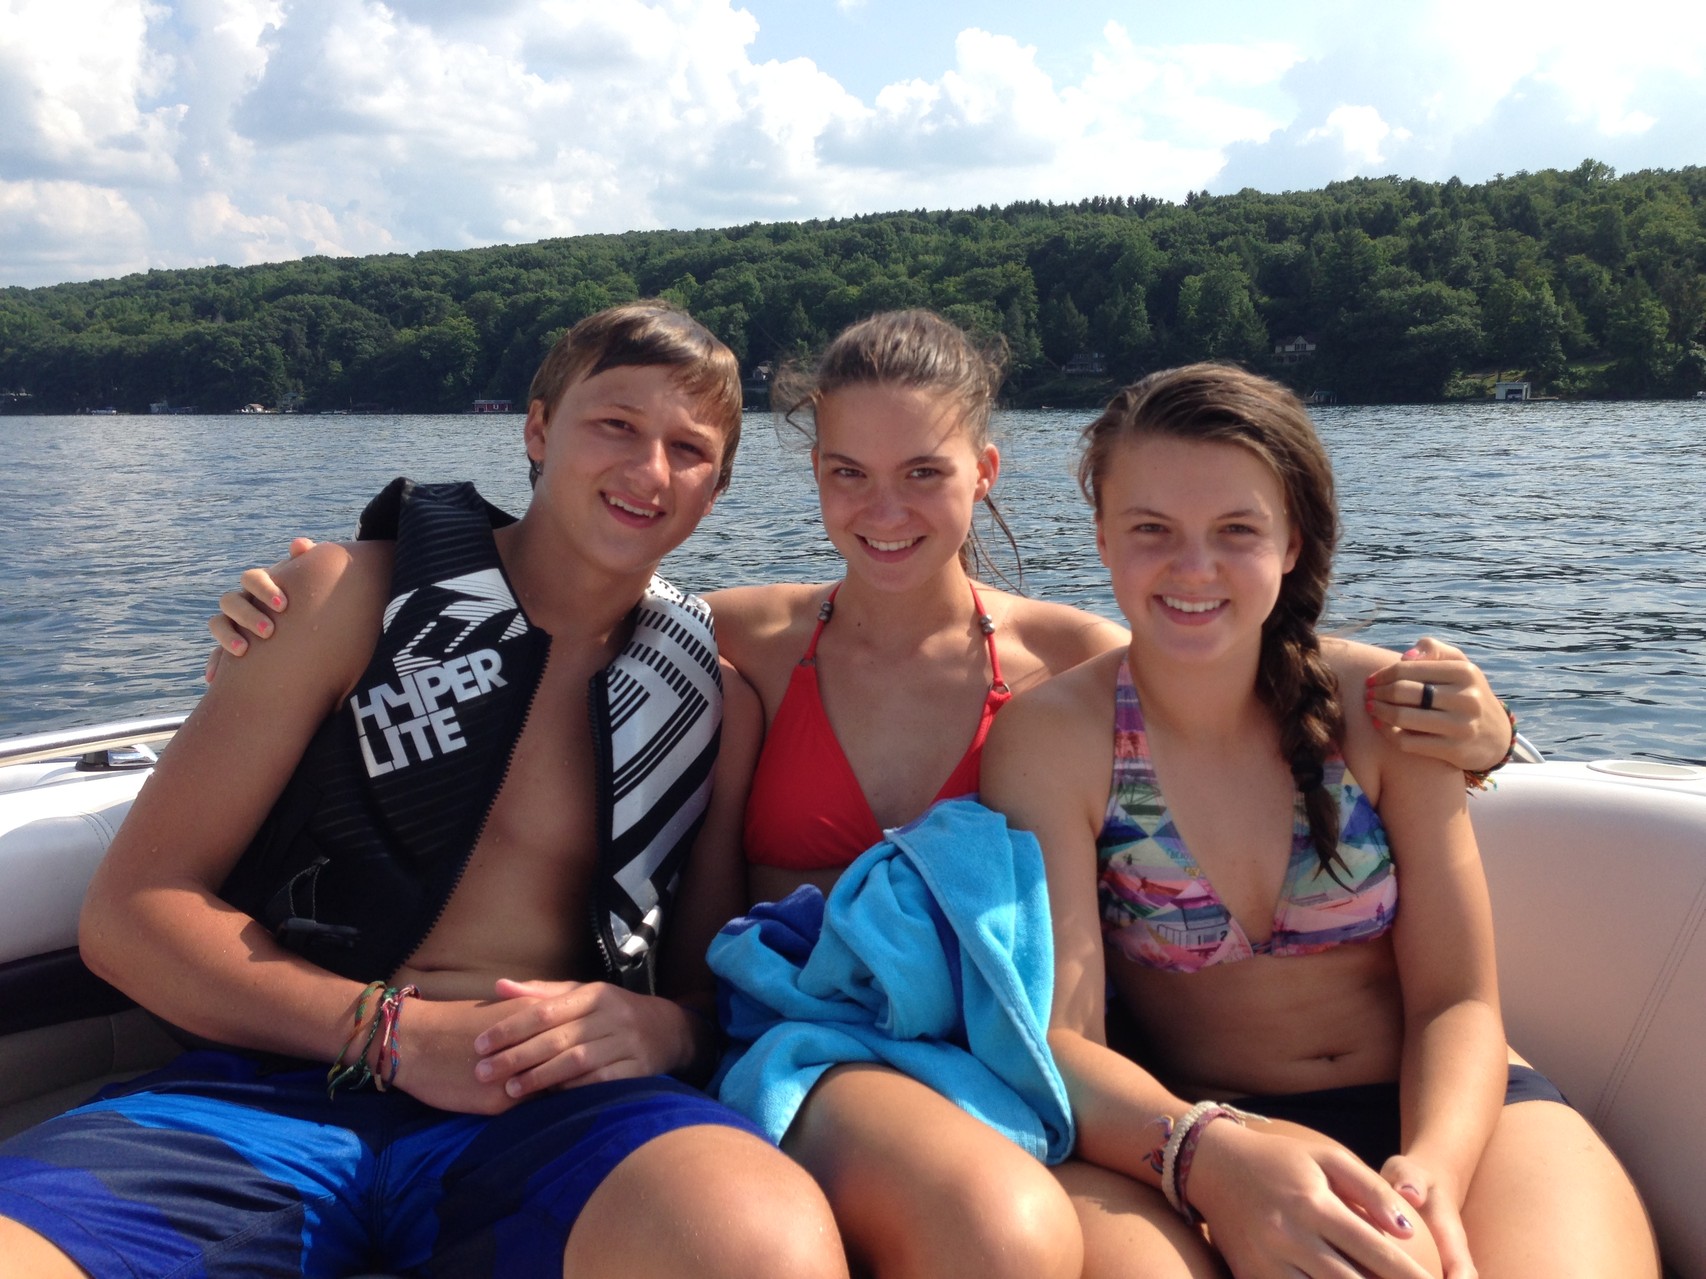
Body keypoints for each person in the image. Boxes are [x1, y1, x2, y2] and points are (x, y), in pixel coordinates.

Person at [206, 312, 1521, 1279]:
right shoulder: (743, 638)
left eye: (923, 473)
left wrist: (1486, 723)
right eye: (845, 472)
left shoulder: (1071, 666)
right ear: (810, 473)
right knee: (994, 1231)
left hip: (1013, 1048)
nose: (880, 510)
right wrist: (316, 611)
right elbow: (559, 590)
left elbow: (1234, 659)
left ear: (985, 475)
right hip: (812, 1030)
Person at [0, 302, 848, 1279]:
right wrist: (391, 1035)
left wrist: (660, 1024)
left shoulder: (708, 704)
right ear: (537, 429)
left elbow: (700, 990)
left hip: (552, 1100)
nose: (648, 470)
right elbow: (132, 914)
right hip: (275, 1085)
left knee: (758, 1247)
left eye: (688, 449)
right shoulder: (342, 602)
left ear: (715, 490)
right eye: (614, 424)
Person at [981, 364, 1657, 1279]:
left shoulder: (1385, 709)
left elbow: (1458, 999)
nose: (1193, 567)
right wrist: (1206, 1156)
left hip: (1453, 1118)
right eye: (1152, 530)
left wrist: (1431, 1182)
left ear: (1291, 541)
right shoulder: (1053, 741)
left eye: (1236, 530)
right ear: (1102, 537)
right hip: (1203, 1131)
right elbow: (1063, 1037)